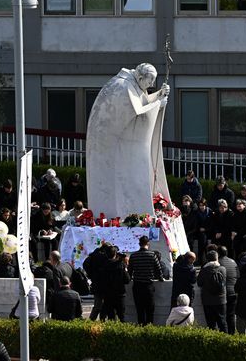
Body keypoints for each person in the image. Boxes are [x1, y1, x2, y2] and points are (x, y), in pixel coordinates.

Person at [86, 63, 170, 219]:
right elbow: (138, 114)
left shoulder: (132, 83)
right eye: (150, 81)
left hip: (120, 144)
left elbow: (141, 103)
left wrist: (159, 94)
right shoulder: (123, 87)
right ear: (139, 77)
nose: (151, 85)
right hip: (112, 148)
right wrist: (158, 104)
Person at [128, 235, 163, 325]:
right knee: (150, 309)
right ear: (148, 244)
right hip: (148, 286)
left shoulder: (133, 256)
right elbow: (158, 269)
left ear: (139, 244)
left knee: (140, 309)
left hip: (137, 286)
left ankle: (141, 326)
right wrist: (160, 278)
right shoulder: (152, 255)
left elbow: (130, 271)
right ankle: (149, 328)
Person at [197, 249, 227, 332]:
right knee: (222, 322)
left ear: (207, 259)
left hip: (208, 300)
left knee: (211, 324)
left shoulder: (204, 270)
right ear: (217, 258)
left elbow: (199, 283)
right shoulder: (223, 269)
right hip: (221, 300)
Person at [101, 246, 131, 321]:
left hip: (108, 294)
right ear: (115, 254)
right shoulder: (121, 265)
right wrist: (125, 267)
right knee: (122, 317)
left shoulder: (104, 265)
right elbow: (127, 279)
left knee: (111, 317)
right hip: (120, 294)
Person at [83, 242, 110, 320]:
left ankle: (92, 321)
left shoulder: (93, 255)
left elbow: (85, 265)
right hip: (103, 284)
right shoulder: (104, 257)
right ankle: (99, 321)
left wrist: (91, 275)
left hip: (96, 283)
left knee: (98, 305)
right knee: (101, 305)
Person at [217, 245, 239, 334]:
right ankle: (232, 333)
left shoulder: (218, 263)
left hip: (223, 292)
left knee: (223, 315)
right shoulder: (233, 262)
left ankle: (225, 334)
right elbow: (238, 275)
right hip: (233, 292)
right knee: (231, 315)